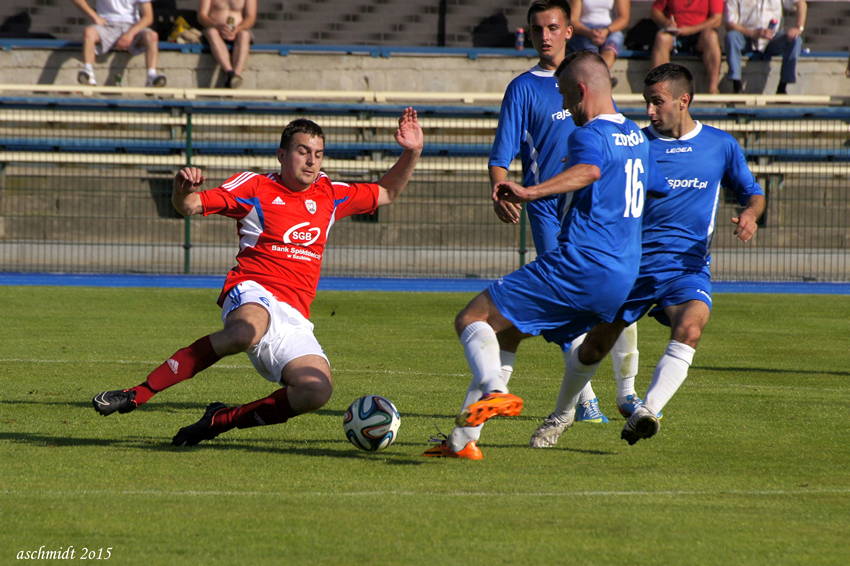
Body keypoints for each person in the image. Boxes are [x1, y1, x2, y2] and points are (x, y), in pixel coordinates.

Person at [91, 108, 424, 446]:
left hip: (294, 314)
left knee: (316, 391)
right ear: (282, 154)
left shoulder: (330, 193)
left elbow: (387, 193)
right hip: (252, 289)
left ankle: (222, 419)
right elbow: (189, 205)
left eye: (318, 154)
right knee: (244, 331)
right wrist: (181, 189)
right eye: (303, 151)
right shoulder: (255, 187)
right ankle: (138, 393)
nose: (311, 161)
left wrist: (411, 152)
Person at [423, 51, 650, 460]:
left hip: (580, 265)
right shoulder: (636, 135)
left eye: (565, 95)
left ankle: (495, 388)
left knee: (472, 319)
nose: (563, 105)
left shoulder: (589, 135)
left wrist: (529, 191)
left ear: (582, 90)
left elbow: (589, 172)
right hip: (620, 278)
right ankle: (462, 442)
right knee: (507, 330)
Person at [530, 63, 766, 448]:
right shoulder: (635, 144)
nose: (650, 112)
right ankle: (562, 415)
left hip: (685, 268)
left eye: (657, 103)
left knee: (691, 327)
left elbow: (751, 191)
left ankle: (648, 413)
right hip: (632, 265)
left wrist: (751, 215)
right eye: (647, 103)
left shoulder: (721, 145)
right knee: (594, 346)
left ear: (683, 100)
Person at [489, 0, 642, 430]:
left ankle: (627, 392)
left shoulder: (587, 81)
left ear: (569, 30)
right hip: (550, 212)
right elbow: (501, 155)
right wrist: (500, 189)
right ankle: (585, 400)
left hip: (599, 209)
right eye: (537, 29)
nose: (545, 36)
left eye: (553, 27)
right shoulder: (523, 88)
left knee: (616, 300)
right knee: (570, 303)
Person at [71, 0, 167, 87]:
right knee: (89, 32)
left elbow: (148, 17)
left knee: (152, 36)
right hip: (107, 25)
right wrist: (94, 16)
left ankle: (151, 75)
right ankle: (88, 73)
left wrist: (130, 34)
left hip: (132, 26)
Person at [724, 0, 807, 94]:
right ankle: (736, 84)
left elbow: (801, 3)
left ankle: (783, 86)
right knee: (731, 37)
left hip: (772, 39)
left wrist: (798, 27)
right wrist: (753, 33)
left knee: (795, 40)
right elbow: (729, 24)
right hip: (746, 37)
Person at [650, 0, 723, 93]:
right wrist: (666, 22)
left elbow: (717, 19)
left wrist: (691, 30)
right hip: (675, 32)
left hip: (700, 33)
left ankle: (713, 88)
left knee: (712, 37)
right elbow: (655, 11)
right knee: (661, 38)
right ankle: (660, 89)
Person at [567, 0, 630, 84]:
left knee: (611, 50)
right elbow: (573, 20)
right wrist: (589, 32)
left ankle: (596, 75)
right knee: (590, 52)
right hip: (584, 29)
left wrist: (607, 31)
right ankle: (602, 76)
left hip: (610, 28)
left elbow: (624, 18)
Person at [197, 0, 257, 89]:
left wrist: (238, 29)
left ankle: (236, 75)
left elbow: (251, 17)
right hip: (216, 29)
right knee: (211, 32)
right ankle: (230, 73)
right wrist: (216, 25)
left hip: (237, 30)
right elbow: (201, 16)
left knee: (244, 35)